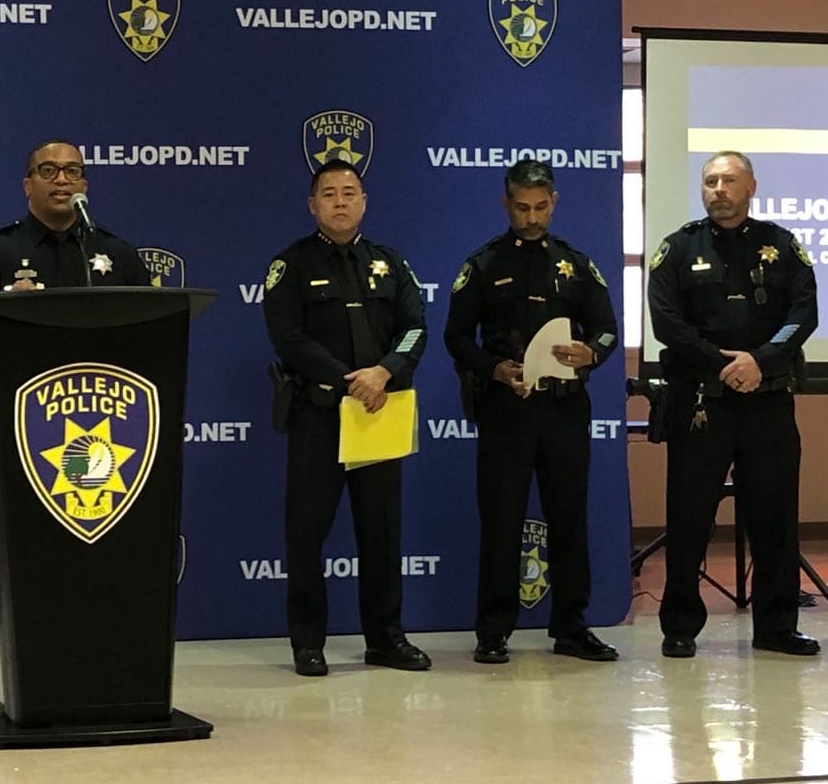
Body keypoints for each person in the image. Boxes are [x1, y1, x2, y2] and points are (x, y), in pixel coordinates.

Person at [443, 160, 620, 665]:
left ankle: (571, 626)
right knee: (502, 520)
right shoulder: (483, 265)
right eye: (522, 207)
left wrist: (591, 353)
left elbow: (607, 329)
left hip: (564, 408)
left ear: (554, 202)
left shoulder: (575, 264)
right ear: (506, 203)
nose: (532, 217)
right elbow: (456, 337)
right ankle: (493, 630)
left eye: (541, 207)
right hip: (507, 408)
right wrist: (493, 368)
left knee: (569, 517)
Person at [647, 150, 819, 658]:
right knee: (689, 515)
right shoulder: (678, 248)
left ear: (751, 187)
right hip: (702, 402)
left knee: (774, 515)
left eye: (728, 180)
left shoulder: (781, 246)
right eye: (710, 181)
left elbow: (803, 313)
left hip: (767, 400)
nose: (718, 190)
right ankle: (680, 625)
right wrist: (722, 364)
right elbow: (666, 322)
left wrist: (760, 361)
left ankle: (777, 627)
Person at [262, 160, 430, 675]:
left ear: (364, 201)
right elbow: (288, 338)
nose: (340, 201)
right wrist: (348, 380)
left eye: (349, 192)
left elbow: (415, 328)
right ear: (312, 205)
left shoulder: (390, 263)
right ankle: (307, 643)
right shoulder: (290, 265)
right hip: (319, 414)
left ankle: (385, 639)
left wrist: (385, 371)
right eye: (329, 193)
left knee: (381, 532)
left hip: (378, 412)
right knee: (307, 533)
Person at [0, 140, 150, 337]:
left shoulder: (120, 254)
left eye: (72, 171)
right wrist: (6, 305)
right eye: (48, 170)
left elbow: (150, 324)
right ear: (28, 186)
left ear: (84, 186)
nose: (61, 180)